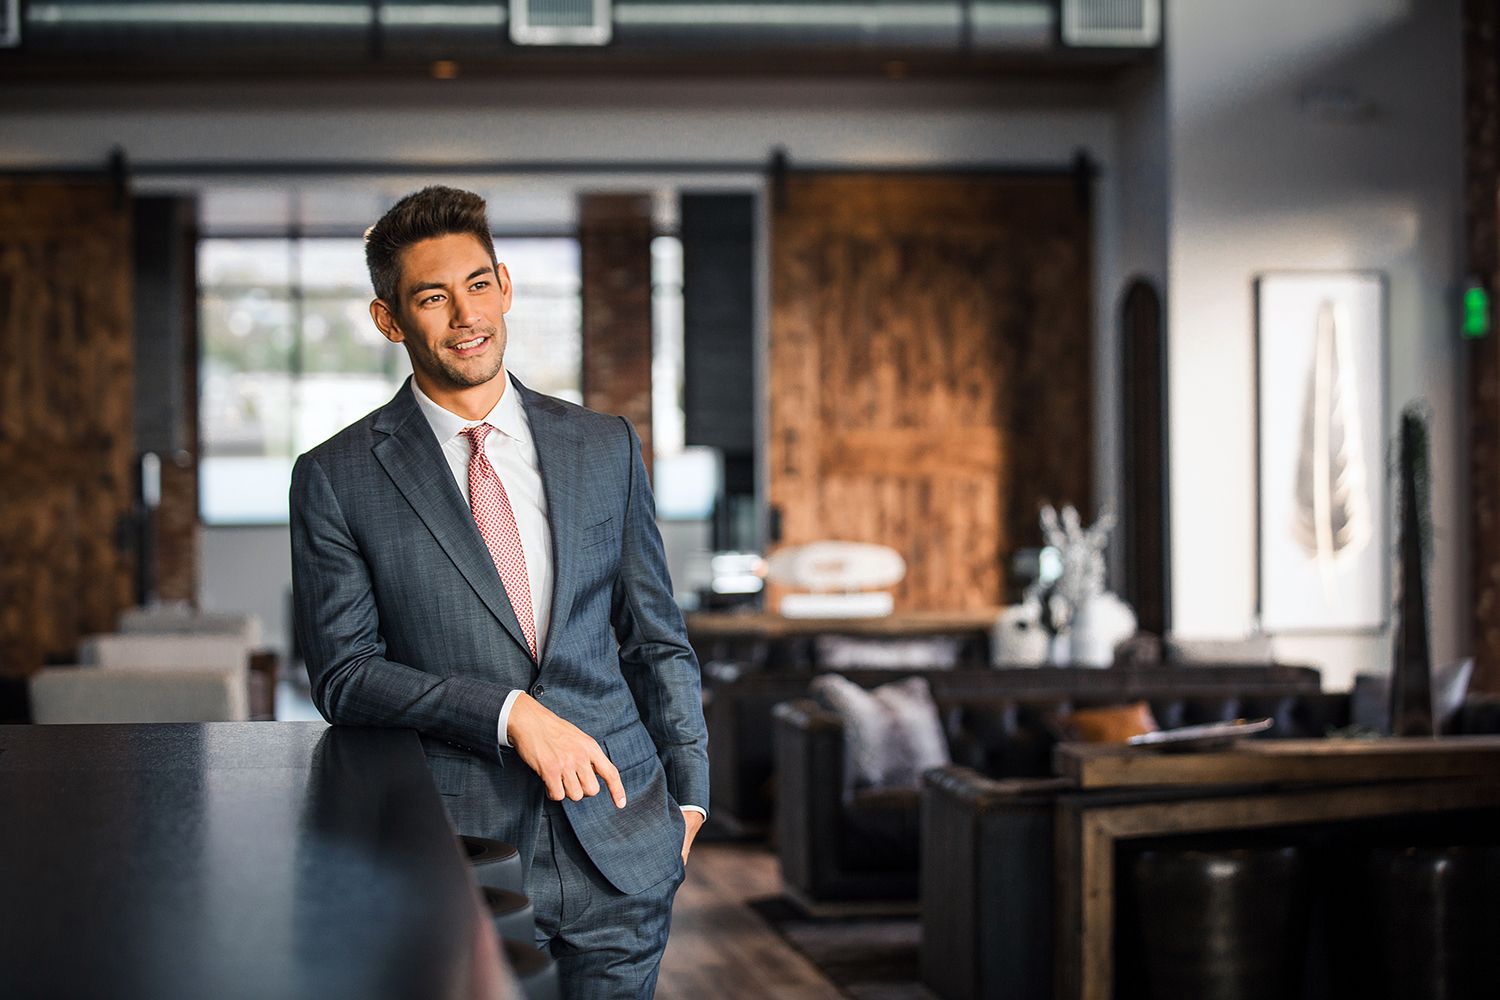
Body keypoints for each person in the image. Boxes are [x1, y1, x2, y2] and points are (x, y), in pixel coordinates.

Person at [290, 185, 708, 999]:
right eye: (432, 297)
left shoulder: (605, 445)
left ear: (505, 286)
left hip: (624, 847)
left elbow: (656, 636)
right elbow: (344, 674)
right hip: (458, 850)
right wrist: (510, 714)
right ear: (390, 320)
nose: (465, 315)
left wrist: (688, 799)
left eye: (478, 284)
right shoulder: (335, 478)